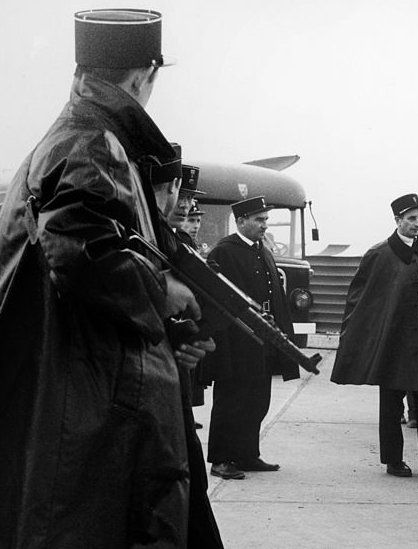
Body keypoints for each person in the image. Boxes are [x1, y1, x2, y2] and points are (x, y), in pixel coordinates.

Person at [0, 9, 221, 546]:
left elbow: (77, 295)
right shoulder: (92, 142)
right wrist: (164, 291)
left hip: (89, 402)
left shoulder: (78, 137)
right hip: (98, 422)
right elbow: (79, 249)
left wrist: (165, 338)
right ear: (145, 74)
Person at [331, 194, 418, 477]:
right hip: (394, 344)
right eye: (411, 219)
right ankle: (393, 460)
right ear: (397, 221)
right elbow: (360, 299)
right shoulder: (379, 254)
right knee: (391, 404)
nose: (416, 224)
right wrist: (356, 335)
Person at [205, 196, 298, 480]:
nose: (264, 225)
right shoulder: (224, 252)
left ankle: (247, 454)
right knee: (231, 400)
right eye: (259, 220)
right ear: (241, 221)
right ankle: (222, 459)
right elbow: (218, 299)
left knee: (258, 399)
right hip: (237, 340)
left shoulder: (263, 250)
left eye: (266, 219)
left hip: (264, 338)